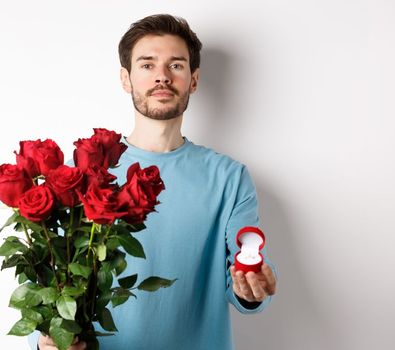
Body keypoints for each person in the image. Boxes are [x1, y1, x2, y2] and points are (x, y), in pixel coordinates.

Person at [30, 13, 277, 350]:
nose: (162, 76)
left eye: (176, 65)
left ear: (193, 80)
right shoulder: (81, 171)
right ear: (126, 78)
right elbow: (49, 278)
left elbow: (245, 265)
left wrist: (251, 286)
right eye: (147, 65)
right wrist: (45, 341)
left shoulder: (229, 178)